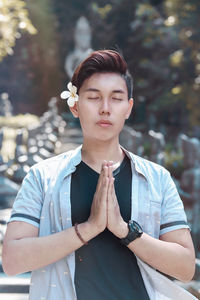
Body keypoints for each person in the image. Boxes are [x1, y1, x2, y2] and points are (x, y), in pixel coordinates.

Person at [2, 50, 196, 300]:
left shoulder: (157, 179)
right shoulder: (42, 177)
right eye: (94, 97)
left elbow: (185, 267)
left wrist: (125, 231)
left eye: (116, 99)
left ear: (128, 108)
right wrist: (87, 228)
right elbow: (12, 261)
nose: (105, 109)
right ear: (75, 106)